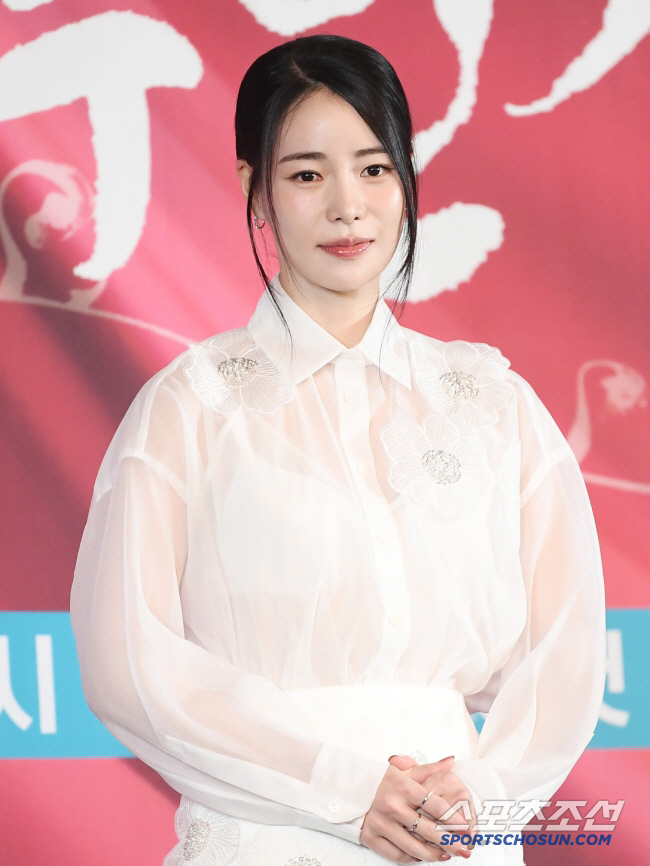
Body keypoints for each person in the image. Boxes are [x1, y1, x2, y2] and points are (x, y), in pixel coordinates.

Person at [70, 34, 606, 866]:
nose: (348, 206)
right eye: (307, 175)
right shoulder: (192, 407)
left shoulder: (494, 405)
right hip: (269, 834)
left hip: (454, 835)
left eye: (374, 168)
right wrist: (342, 788)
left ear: (407, 179)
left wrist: (486, 790)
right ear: (254, 190)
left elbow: (566, 644)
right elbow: (128, 661)